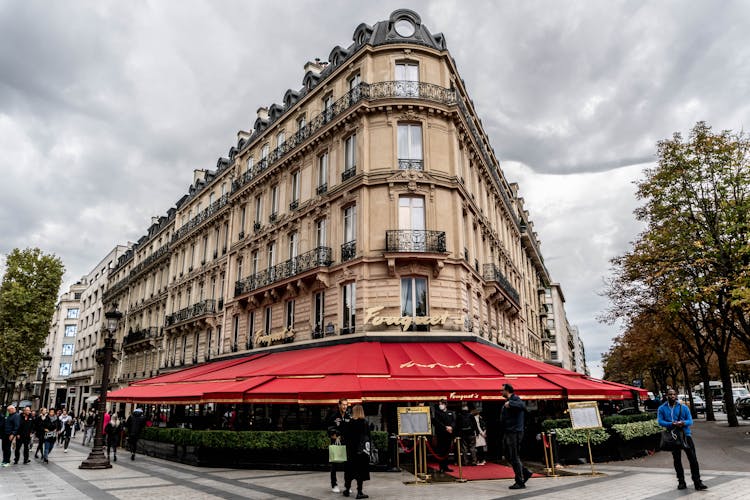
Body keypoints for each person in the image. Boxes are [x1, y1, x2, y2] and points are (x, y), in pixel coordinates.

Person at [658, 388, 708, 491]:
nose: (672, 396)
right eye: (670, 394)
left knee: (693, 459)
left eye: (674, 394)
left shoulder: (683, 407)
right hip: (673, 437)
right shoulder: (662, 408)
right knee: (677, 460)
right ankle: (681, 482)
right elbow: (660, 421)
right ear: (666, 395)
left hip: (686, 436)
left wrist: (683, 423)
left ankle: (697, 482)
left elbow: (690, 421)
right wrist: (671, 424)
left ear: (676, 396)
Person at [501, 384, 532, 490]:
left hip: (515, 432)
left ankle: (520, 482)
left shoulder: (515, 398)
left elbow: (523, 406)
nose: (501, 392)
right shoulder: (508, 401)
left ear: (507, 391)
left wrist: (511, 403)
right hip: (508, 432)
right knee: (508, 455)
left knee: (514, 456)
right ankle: (525, 472)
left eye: (502, 390)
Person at [342, 404, 371, 499]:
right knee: (360, 472)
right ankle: (359, 492)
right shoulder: (364, 423)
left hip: (351, 451)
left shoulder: (349, 422)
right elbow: (368, 437)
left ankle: (347, 490)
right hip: (361, 451)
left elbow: (345, 437)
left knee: (349, 471)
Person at [325, 398, 351, 493]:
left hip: (346, 443)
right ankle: (334, 484)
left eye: (346, 404)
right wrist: (335, 435)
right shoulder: (333, 416)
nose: (345, 406)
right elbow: (329, 428)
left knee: (348, 465)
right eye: (343, 404)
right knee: (334, 464)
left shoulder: (349, 416)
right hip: (336, 442)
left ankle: (347, 485)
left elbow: (351, 429)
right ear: (339, 405)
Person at [433, 397, 456, 473]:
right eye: (439, 404)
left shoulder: (450, 412)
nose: (440, 405)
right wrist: (446, 428)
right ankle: (441, 467)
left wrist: (451, 427)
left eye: (441, 404)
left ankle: (446, 466)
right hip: (441, 435)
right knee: (441, 451)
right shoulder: (437, 413)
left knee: (447, 451)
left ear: (445, 404)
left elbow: (454, 421)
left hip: (449, 435)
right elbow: (437, 423)